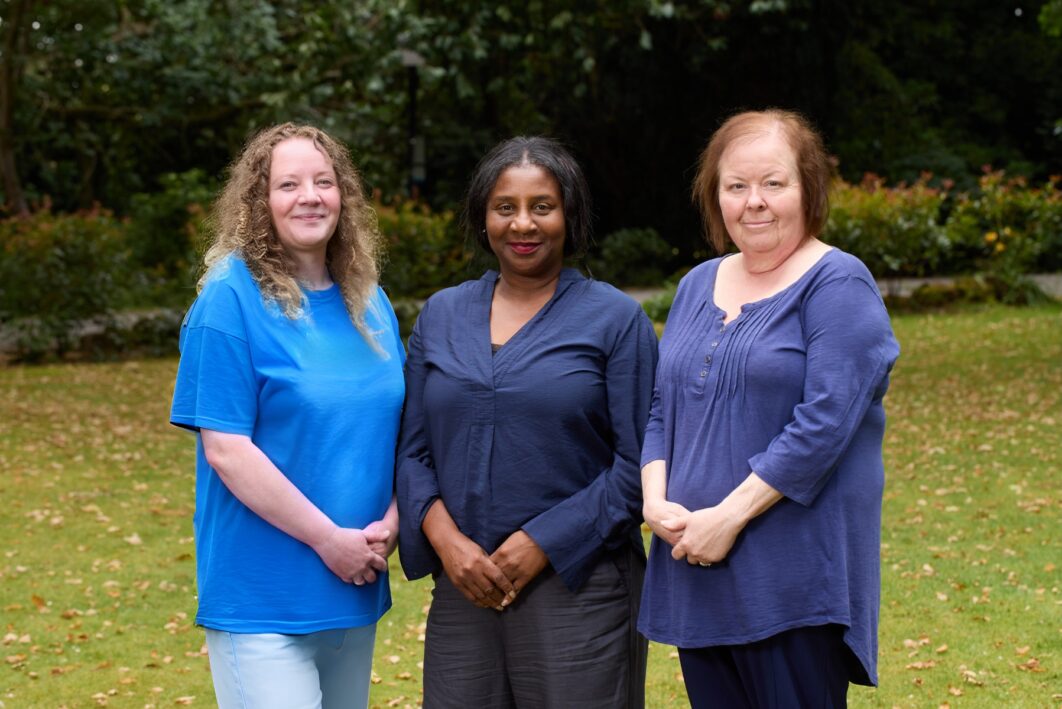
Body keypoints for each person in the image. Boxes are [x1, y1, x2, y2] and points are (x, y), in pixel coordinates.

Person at [639, 109, 900, 708]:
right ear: (716, 197)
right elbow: (662, 408)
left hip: (790, 584)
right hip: (696, 570)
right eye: (736, 186)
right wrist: (654, 501)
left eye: (773, 183)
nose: (754, 202)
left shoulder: (838, 285)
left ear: (808, 188)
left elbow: (823, 425)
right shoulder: (695, 285)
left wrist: (727, 518)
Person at [396, 136, 657, 708]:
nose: (523, 224)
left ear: (570, 215)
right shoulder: (441, 316)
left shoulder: (615, 321)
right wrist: (447, 543)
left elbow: (642, 465)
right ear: (482, 217)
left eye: (542, 206)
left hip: (580, 587)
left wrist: (543, 541)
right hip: (466, 590)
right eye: (504, 207)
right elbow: (412, 452)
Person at [169, 123, 405, 709]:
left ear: (342, 196)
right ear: (260, 201)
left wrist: (395, 519)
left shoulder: (368, 300)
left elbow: (398, 428)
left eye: (324, 182)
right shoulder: (229, 299)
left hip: (354, 584)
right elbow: (227, 450)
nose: (310, 196)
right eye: (289, 184)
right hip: (263, 597)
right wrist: (330, 540)